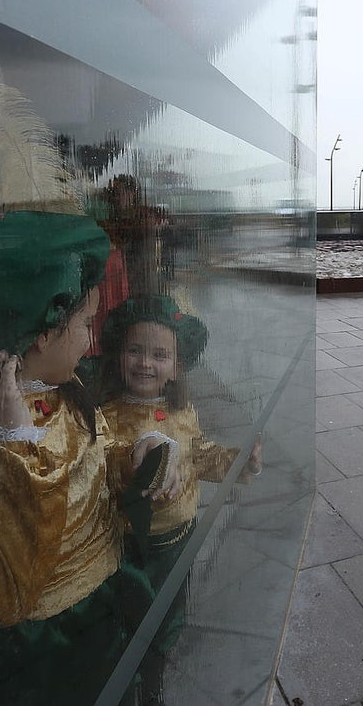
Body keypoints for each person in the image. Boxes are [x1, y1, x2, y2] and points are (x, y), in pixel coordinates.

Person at [0, 211, 178, 706]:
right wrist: (11, 443)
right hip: (37, 656)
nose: (91, 341)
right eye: (86, 324)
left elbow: (93, 461)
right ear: (45, 332)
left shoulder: (63, 392)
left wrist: (138, 456)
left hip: (105, 616)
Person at [97, 294, 261, 703]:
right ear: (119, 357)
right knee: (131, 616)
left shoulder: (182, 409)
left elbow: (198, 454)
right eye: (135, 350)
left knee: (169, 614)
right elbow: (107, 467)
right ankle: (128, 680)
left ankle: (155, 678)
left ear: (176, 366)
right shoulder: (109, 414)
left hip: (179, 539)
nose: (145, 363)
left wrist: (240, 462)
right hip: (133, 545)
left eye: (159, 355)